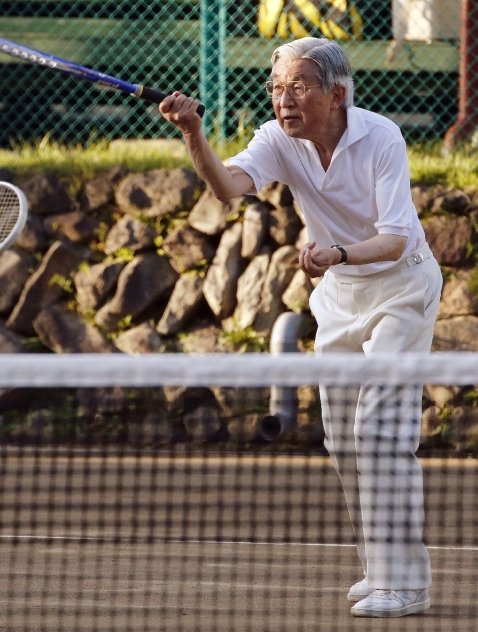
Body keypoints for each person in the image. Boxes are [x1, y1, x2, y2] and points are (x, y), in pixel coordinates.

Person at [158, 37, 440, 619]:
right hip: (339, 295)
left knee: (381, 430)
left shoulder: (382, 136)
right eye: (277, 88)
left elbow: (396, 238)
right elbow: (227, 186)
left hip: (403, 287)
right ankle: (378, 568)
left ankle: (407, 583)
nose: (284, 100)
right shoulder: (277, 138)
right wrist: (193, 135)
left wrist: (336, 253)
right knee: (341, 439)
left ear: (336, 95)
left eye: (298, 87)